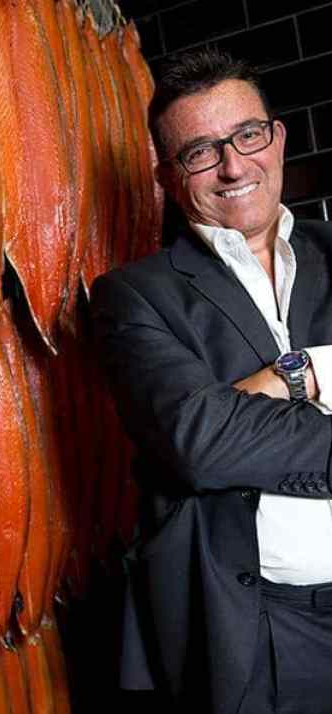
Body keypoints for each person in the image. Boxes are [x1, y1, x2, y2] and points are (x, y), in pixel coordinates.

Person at [91, 48, 332, 714]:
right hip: (259, 634)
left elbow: (224, 427)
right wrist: (312, 373)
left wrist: (263, 389)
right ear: (167, 177)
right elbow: (199, 442)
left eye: (247, 135)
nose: (233, 166)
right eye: (200, 152)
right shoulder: (135, 297)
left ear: (276, 138)